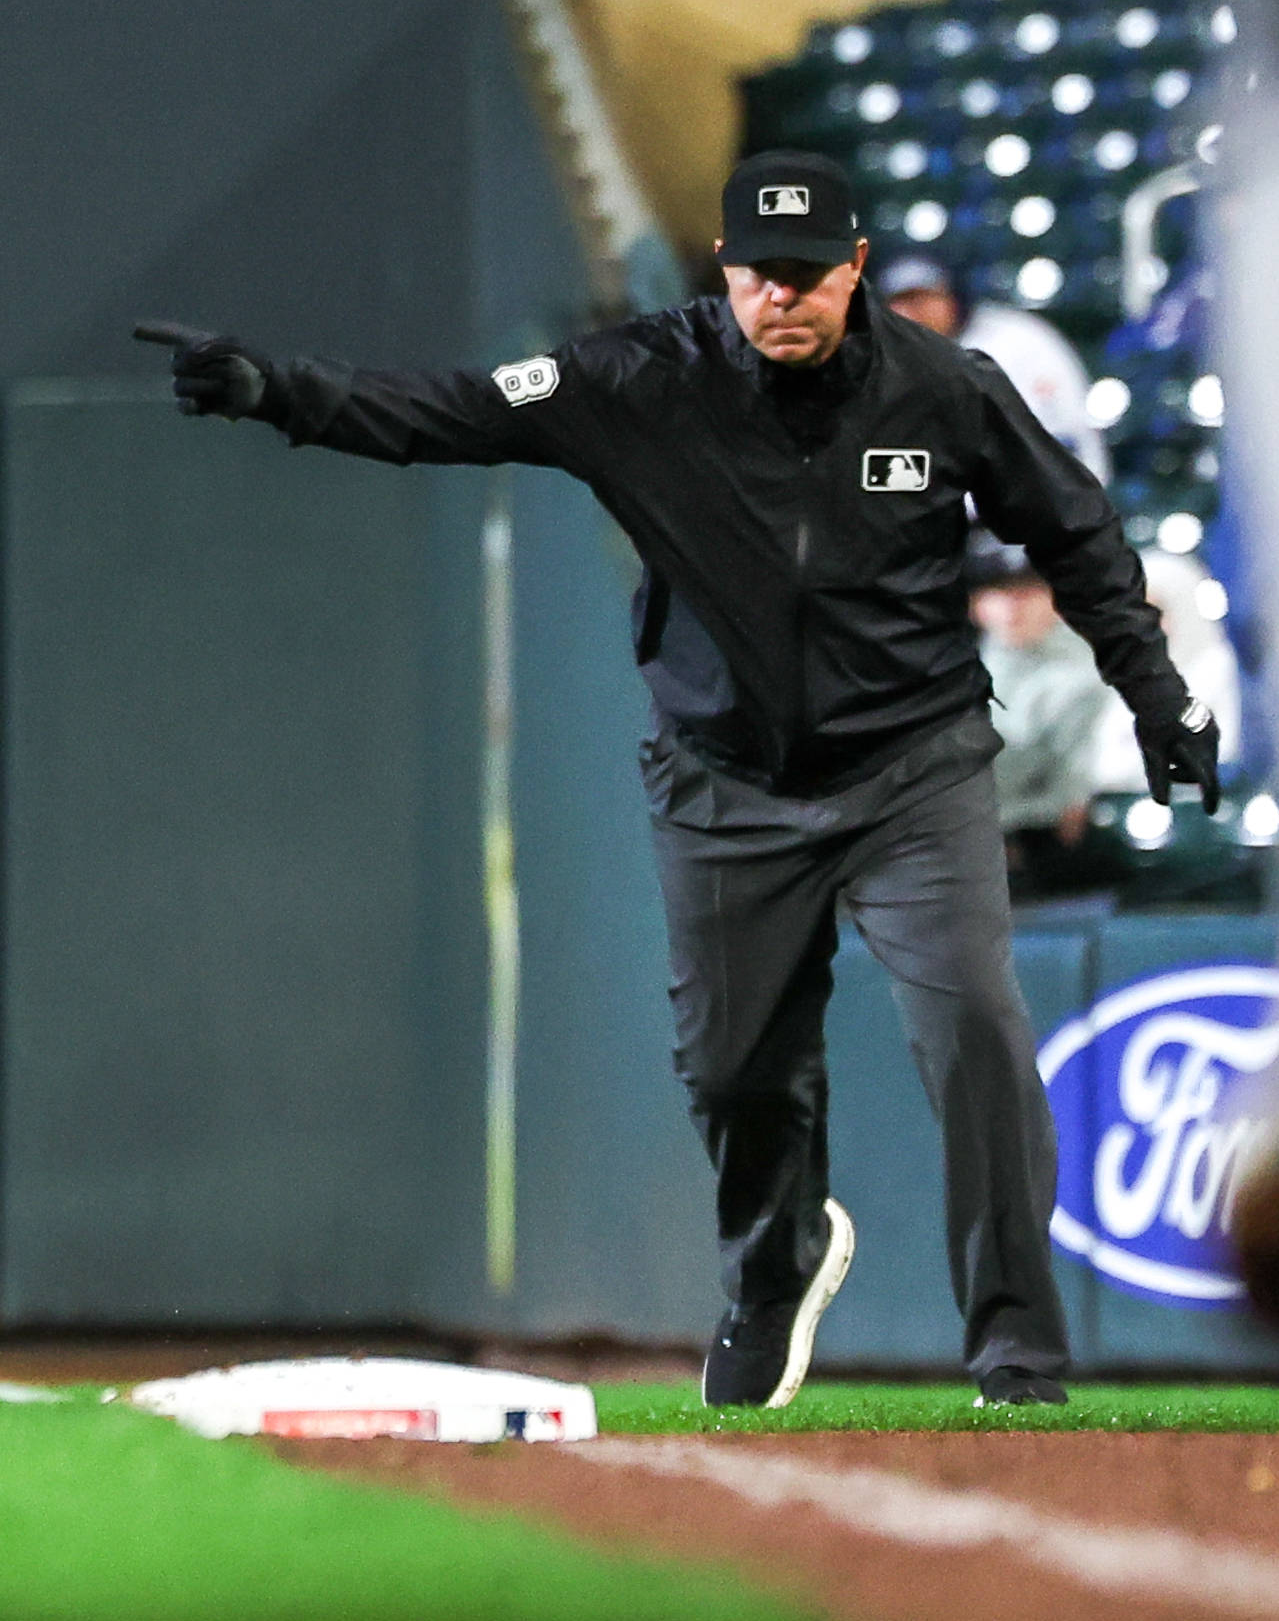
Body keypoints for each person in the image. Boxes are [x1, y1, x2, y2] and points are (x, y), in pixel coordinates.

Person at [139, 150, 1222, 1409]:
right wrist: (279, 390)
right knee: (732, 1071)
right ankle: (778, 1263)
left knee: (977, 1029)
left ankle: (1017, 1348)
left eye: (812, 274)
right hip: (726, 787)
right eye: (763, 274)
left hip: (913, 771)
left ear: (856, 269)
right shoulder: (640, 379)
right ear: (726, 270)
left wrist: (1156, 697)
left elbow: (1076, 533)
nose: (786, 297)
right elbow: (451, 410)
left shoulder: (945, 389)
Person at [964, 532, 1113, 894]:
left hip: (1031, 857)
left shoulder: (1081, 677)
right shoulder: (940, 667)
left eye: (1028, 591)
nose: (1013, 607)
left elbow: (1069, 808)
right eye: (998, 591)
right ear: (975, 603)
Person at [877, 252, 1111, 480]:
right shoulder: (882, 360)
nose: (912, 312)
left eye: (923, 298)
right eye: (899, 302)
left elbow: (1063, 441)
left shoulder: (1018, 339)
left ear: (954, 299)